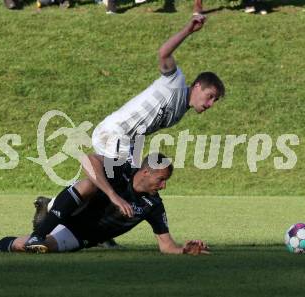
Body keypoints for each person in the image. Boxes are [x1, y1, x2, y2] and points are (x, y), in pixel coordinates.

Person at [24, 15, 225, 249]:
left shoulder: (179, 112)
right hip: (115, 132)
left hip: (127, 139)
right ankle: (55, 211)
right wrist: (188, 30)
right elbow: (163, 53)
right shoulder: (176, 83)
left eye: (215, 101)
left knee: (116, 181)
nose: (210, 104)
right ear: (198, 86)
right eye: (210, 96)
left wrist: (136, 161)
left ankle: (73, 216)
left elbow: (143, 130)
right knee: (117, 183)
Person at [0, 154, 210, 256]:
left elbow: (166, 245)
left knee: (28, 247)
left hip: (80, 234)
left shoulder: (153, 205)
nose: (163, 186)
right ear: (144, 172)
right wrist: (112, 194)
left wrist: (184, 250)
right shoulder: (120, 170)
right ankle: (41, 228)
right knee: (90, 182)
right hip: (73, 208)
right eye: (161, 180)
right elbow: (89, 158)